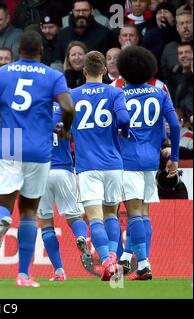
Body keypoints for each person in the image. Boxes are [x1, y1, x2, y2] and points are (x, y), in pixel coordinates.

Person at [0, 30, 75, 287]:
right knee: (30, 213)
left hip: (11, 145)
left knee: (0, 203)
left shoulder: (0, 74)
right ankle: (23, 275)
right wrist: (65, 128)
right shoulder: (54, 76)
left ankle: (1, 221)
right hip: (40, 150)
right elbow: (67, 107)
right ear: (41, 51)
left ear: (17, 50)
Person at [116, 46, 180, 280]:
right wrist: (173, 158)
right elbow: (174, 125)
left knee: (134, 213)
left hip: (128, 159)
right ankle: (126, 258)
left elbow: (117, 125)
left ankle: (143, 263)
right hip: (151, 160)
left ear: (123, 71)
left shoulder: (118, 95)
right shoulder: (159, 93)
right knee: (143, 212)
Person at [70, 50, 131, 281]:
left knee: (94, 217)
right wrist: (123, 131)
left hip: (88, 165)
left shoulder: (72, 94)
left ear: (84, 70)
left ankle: (105, 261)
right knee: (111, 215)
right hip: (114, 164)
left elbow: (60, 125)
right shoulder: (115, 93)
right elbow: (124, 120)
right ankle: (114, 259)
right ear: (105, 70)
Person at [36, 102, 92, 281]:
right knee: (74, 216)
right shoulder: (65, 109)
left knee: (46, 223)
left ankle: (59, 271)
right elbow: (77, 136)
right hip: (64, 169)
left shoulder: (33, 108)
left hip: (40, 171)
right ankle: (81, 236)